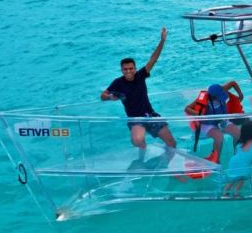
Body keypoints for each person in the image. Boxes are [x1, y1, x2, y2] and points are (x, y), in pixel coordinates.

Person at [101, 27, 176, 157]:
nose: (128, 71)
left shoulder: (141, 76)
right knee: (137, 141)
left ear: (135, 69)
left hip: (150, 115)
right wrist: (110, 97)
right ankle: (143, 154)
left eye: (131, 69)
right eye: (125, 69)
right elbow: (103, 96)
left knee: (172, 143)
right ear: (121, 70)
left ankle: (165, 161)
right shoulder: (117, 82)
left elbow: (153, 59)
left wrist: (162, 41)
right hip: (135, 119)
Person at [185, 81, 243, 161]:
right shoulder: (203, 98)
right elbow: (187, 108)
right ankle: (216, 160)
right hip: (208, 124)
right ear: (212, 96)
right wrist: (199, 114)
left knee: (239, 134)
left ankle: (237, 156)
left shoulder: (221, 89)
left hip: (222, 120)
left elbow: (233, 83)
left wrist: (240, 94)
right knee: (219, 137)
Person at [223, 120, 252, 197]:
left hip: (233, 161)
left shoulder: (240, 141)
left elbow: (238, 152)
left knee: (233, 178)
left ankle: (225, 193)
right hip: (243, 164)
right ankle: (236, 193)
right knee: (242, 179)